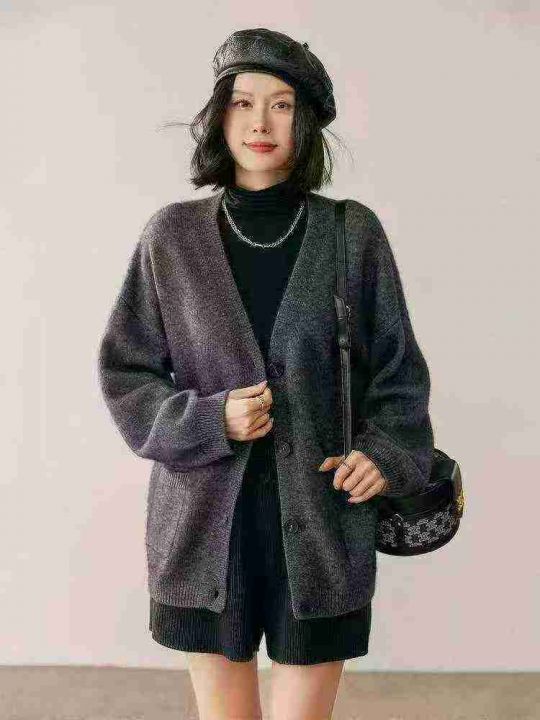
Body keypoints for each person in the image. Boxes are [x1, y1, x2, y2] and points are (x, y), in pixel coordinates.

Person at [97, 28, 434, 720]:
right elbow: (127, 372)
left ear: (304, 122)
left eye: (281, 105)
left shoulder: (352, 234)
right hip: (204, 530)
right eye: (243, 102)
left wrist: (384, 453)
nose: (260, 122)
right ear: (219, 115)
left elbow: (398, 373)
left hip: (323, 523)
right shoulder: (172, 236)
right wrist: (209, 418)